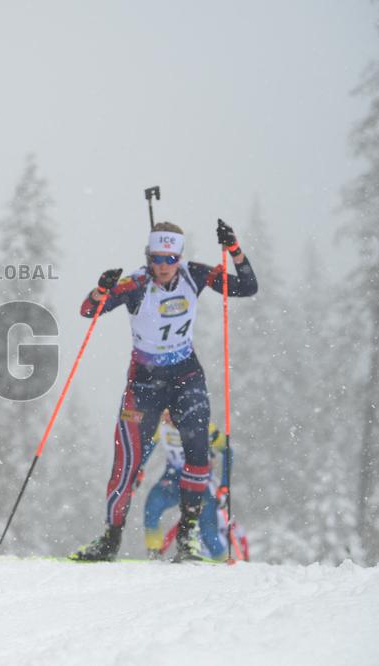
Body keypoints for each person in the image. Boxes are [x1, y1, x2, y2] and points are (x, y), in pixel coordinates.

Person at [71, 220, 258, 562]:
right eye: (157, 258)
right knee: (125, 463)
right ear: (149, 256)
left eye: (170, 259)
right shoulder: (135, 284)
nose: (163, 266)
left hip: (186, 376)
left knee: (198, 453)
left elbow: (247, 286)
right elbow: (88, 310)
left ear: (179, 257)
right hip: (144, 383)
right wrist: (102, 289)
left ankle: (187, 539)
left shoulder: (195, 275)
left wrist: (234, 250)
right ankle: (110, 539)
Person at [142, 411, 235, 560]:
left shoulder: (205, 428)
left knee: (208, 533)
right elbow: (145, 450)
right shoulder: (161, 428)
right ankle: (154, 552)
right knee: (152, 505)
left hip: (200, 483)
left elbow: (227, 451)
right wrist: (138, 470)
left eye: (170, 413)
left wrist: (224, 486)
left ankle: (223, 560)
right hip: (172, 481)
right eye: (164, 413)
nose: (167, 418)